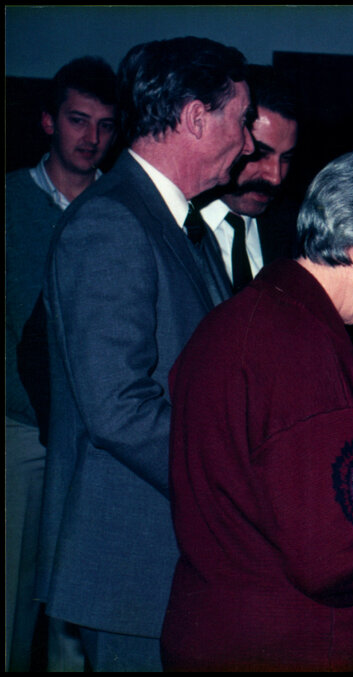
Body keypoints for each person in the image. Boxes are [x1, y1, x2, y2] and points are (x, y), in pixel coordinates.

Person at [161, 147, 353, 671]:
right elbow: (332, 562)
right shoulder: (305, 353)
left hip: (212, 626)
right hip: (289, 645)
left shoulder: (238, 316)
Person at [37, 37, 253, 671]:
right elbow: (117, 409)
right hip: (133, 554)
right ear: (194, 117)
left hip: (174, 549)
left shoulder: (181, 223)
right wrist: (234, 480)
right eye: (240, 121)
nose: (247, 143)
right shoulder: (113, 223)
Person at [5, 55, 117, 673]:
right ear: (49, 121)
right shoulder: (11, 203)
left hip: (91, 437)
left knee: (76, 614)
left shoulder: (117, 207)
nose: (90, 138)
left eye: (104, 125)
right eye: (78, 120)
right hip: (20, 430)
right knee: (12, 603)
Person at [194, 66, 299, 292]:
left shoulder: (294, 231)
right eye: (260, 154)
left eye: (286, 158)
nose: (275, 176)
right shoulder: (177, 223)